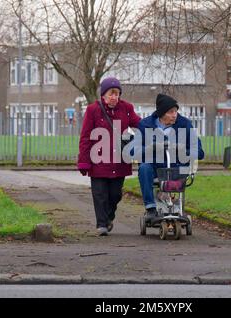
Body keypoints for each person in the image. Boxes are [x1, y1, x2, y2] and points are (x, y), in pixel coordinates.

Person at [77, 77, 141, 236]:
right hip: (98, 160)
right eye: (111, 93)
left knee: (115, 194)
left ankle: (109, 216)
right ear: (103, 94)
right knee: (99, 194)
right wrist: (84, 161)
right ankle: (101, 224)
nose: (114, 97)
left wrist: (157, 125)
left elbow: (140, 124)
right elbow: (85, 136)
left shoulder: (126, 108)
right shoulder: (93, 110)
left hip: (119, 161)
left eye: (117, 94)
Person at [137, 93, 204, 219]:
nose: (175, 115)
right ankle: (150, 208)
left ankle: (173, 203)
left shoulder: (185, 124)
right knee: (144, 168)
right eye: (171, 112)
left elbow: (200, 152)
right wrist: (150, 148)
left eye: (176, 111)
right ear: (161, 113)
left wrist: (182, 150)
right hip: (155, 168)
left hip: (177, 168)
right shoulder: (145, 125)